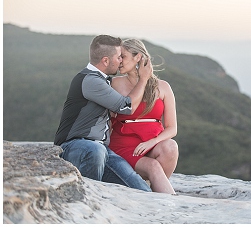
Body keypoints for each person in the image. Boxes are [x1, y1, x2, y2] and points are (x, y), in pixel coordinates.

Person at [54, 34, 154, 191]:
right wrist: (143, 79)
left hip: (102, 150)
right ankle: (89, 198)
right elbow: (126, 107)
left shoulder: (103, 80)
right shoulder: (90, 80)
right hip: (74, 146)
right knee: (95, 150)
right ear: (105, 61)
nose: (121, 61)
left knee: (141, 189)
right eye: (119, 57)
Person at [109, 38, 179, 194]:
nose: (119, 61)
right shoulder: (116, 84)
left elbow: (172, 128)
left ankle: (155, 192)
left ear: (138, 57)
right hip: (124, 145)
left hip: (152, 143)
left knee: (171, 147)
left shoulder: (163, 87)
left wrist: (152, 142)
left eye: (123, 56)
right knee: (153, 166)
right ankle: (171, 206)